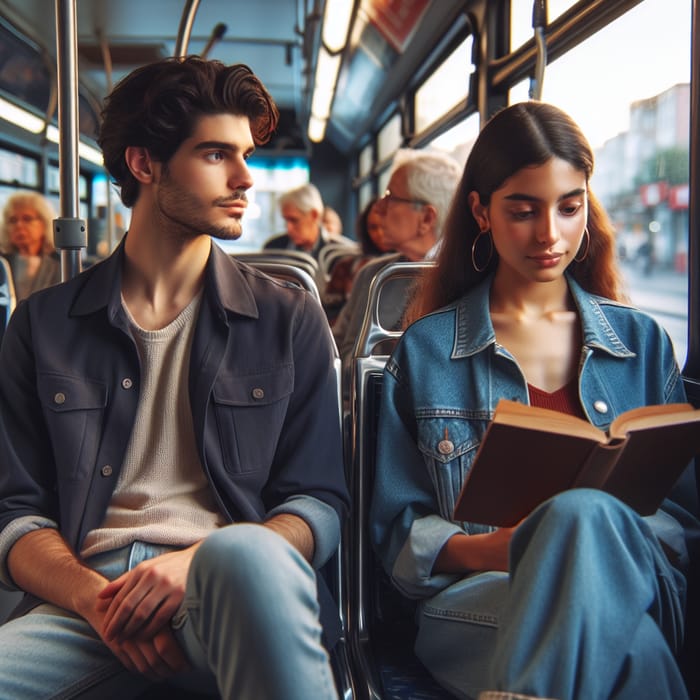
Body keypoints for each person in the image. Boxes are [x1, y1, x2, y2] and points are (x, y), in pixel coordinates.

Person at [0, 56, 348, 700]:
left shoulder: (288, 319)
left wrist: (198, 566)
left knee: (247, 556)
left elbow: (318, 504)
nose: (246, 177)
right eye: (217, 154)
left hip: (235, 588)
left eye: (245, 154)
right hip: (90, 599)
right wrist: (95, 600)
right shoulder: (42, 324)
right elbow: (14, 515)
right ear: (144, 164)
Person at [370, 101, 698, 700]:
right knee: (637, 647)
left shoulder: (642, 343)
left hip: (632, 583)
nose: (551, 235)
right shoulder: (427, 352)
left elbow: (683, 525)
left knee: (584, 519)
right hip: (478, 601)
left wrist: (586, 538)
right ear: (481, 211)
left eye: (570, 208)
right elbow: (398, 540)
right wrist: (505, 547)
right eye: (523, 211)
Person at [332, 149, 461, 369]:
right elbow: (343, 353)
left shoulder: (467, 277)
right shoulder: (372, 275)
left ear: (427, 218)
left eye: (391, 197)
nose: (378, 207)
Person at [322, 196, 391, 322]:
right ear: (365, 229)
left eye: (385, 226)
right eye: (373, 227)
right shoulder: (345, 266)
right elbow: (329, 312)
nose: (380, 233)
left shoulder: (412, 266)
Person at [263, 183, 354, 261]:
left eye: (294, 220)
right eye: (286, 220)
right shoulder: (273, 248)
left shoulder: (342, 253)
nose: (288, 228)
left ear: (314, 215)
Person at [0, 190, 61, 301]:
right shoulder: (2, 263)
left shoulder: (61, 264)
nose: (19, 225)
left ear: (44, 223)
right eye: (13, 220)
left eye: (27, 219)